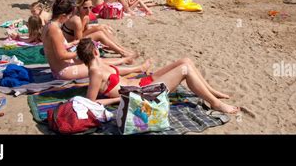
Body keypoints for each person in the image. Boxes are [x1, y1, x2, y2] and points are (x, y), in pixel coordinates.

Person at [76, 38, 240, 113]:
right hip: (142, 93)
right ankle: (215, 103)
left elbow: (120, 73)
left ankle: (212, 92)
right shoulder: (95, 72)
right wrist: (116, 100)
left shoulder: (98, 63)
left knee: (186, 60)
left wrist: (140, 68)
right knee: (185, 70)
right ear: (95, 51)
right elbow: (91, 102)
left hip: (142, 82)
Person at [41, 0, 133, 80]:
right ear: (62, 16)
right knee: (98, 67)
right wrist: (81, 52)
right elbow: (61, 55)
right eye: (68, 16)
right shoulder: (55, 30)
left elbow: (54, 47)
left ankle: (124, 60)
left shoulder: (48, 25)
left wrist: (70, 44)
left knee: (97, 60)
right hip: (63, 70)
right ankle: (138, 68)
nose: (69, 18)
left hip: (61, 66)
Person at [61, 0, 137, 59]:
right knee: (99, 33)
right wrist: (97, 29)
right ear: (79, 7)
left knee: (101, 29)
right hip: (70, 48)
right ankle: (122, 52)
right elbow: (78, 40)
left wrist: (99, 28)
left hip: (77, 42)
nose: (88, 10)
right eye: (85, 8)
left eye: (90, 8)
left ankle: (121, 48)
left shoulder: (85, 16)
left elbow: (85, 31)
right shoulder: (76, 20)